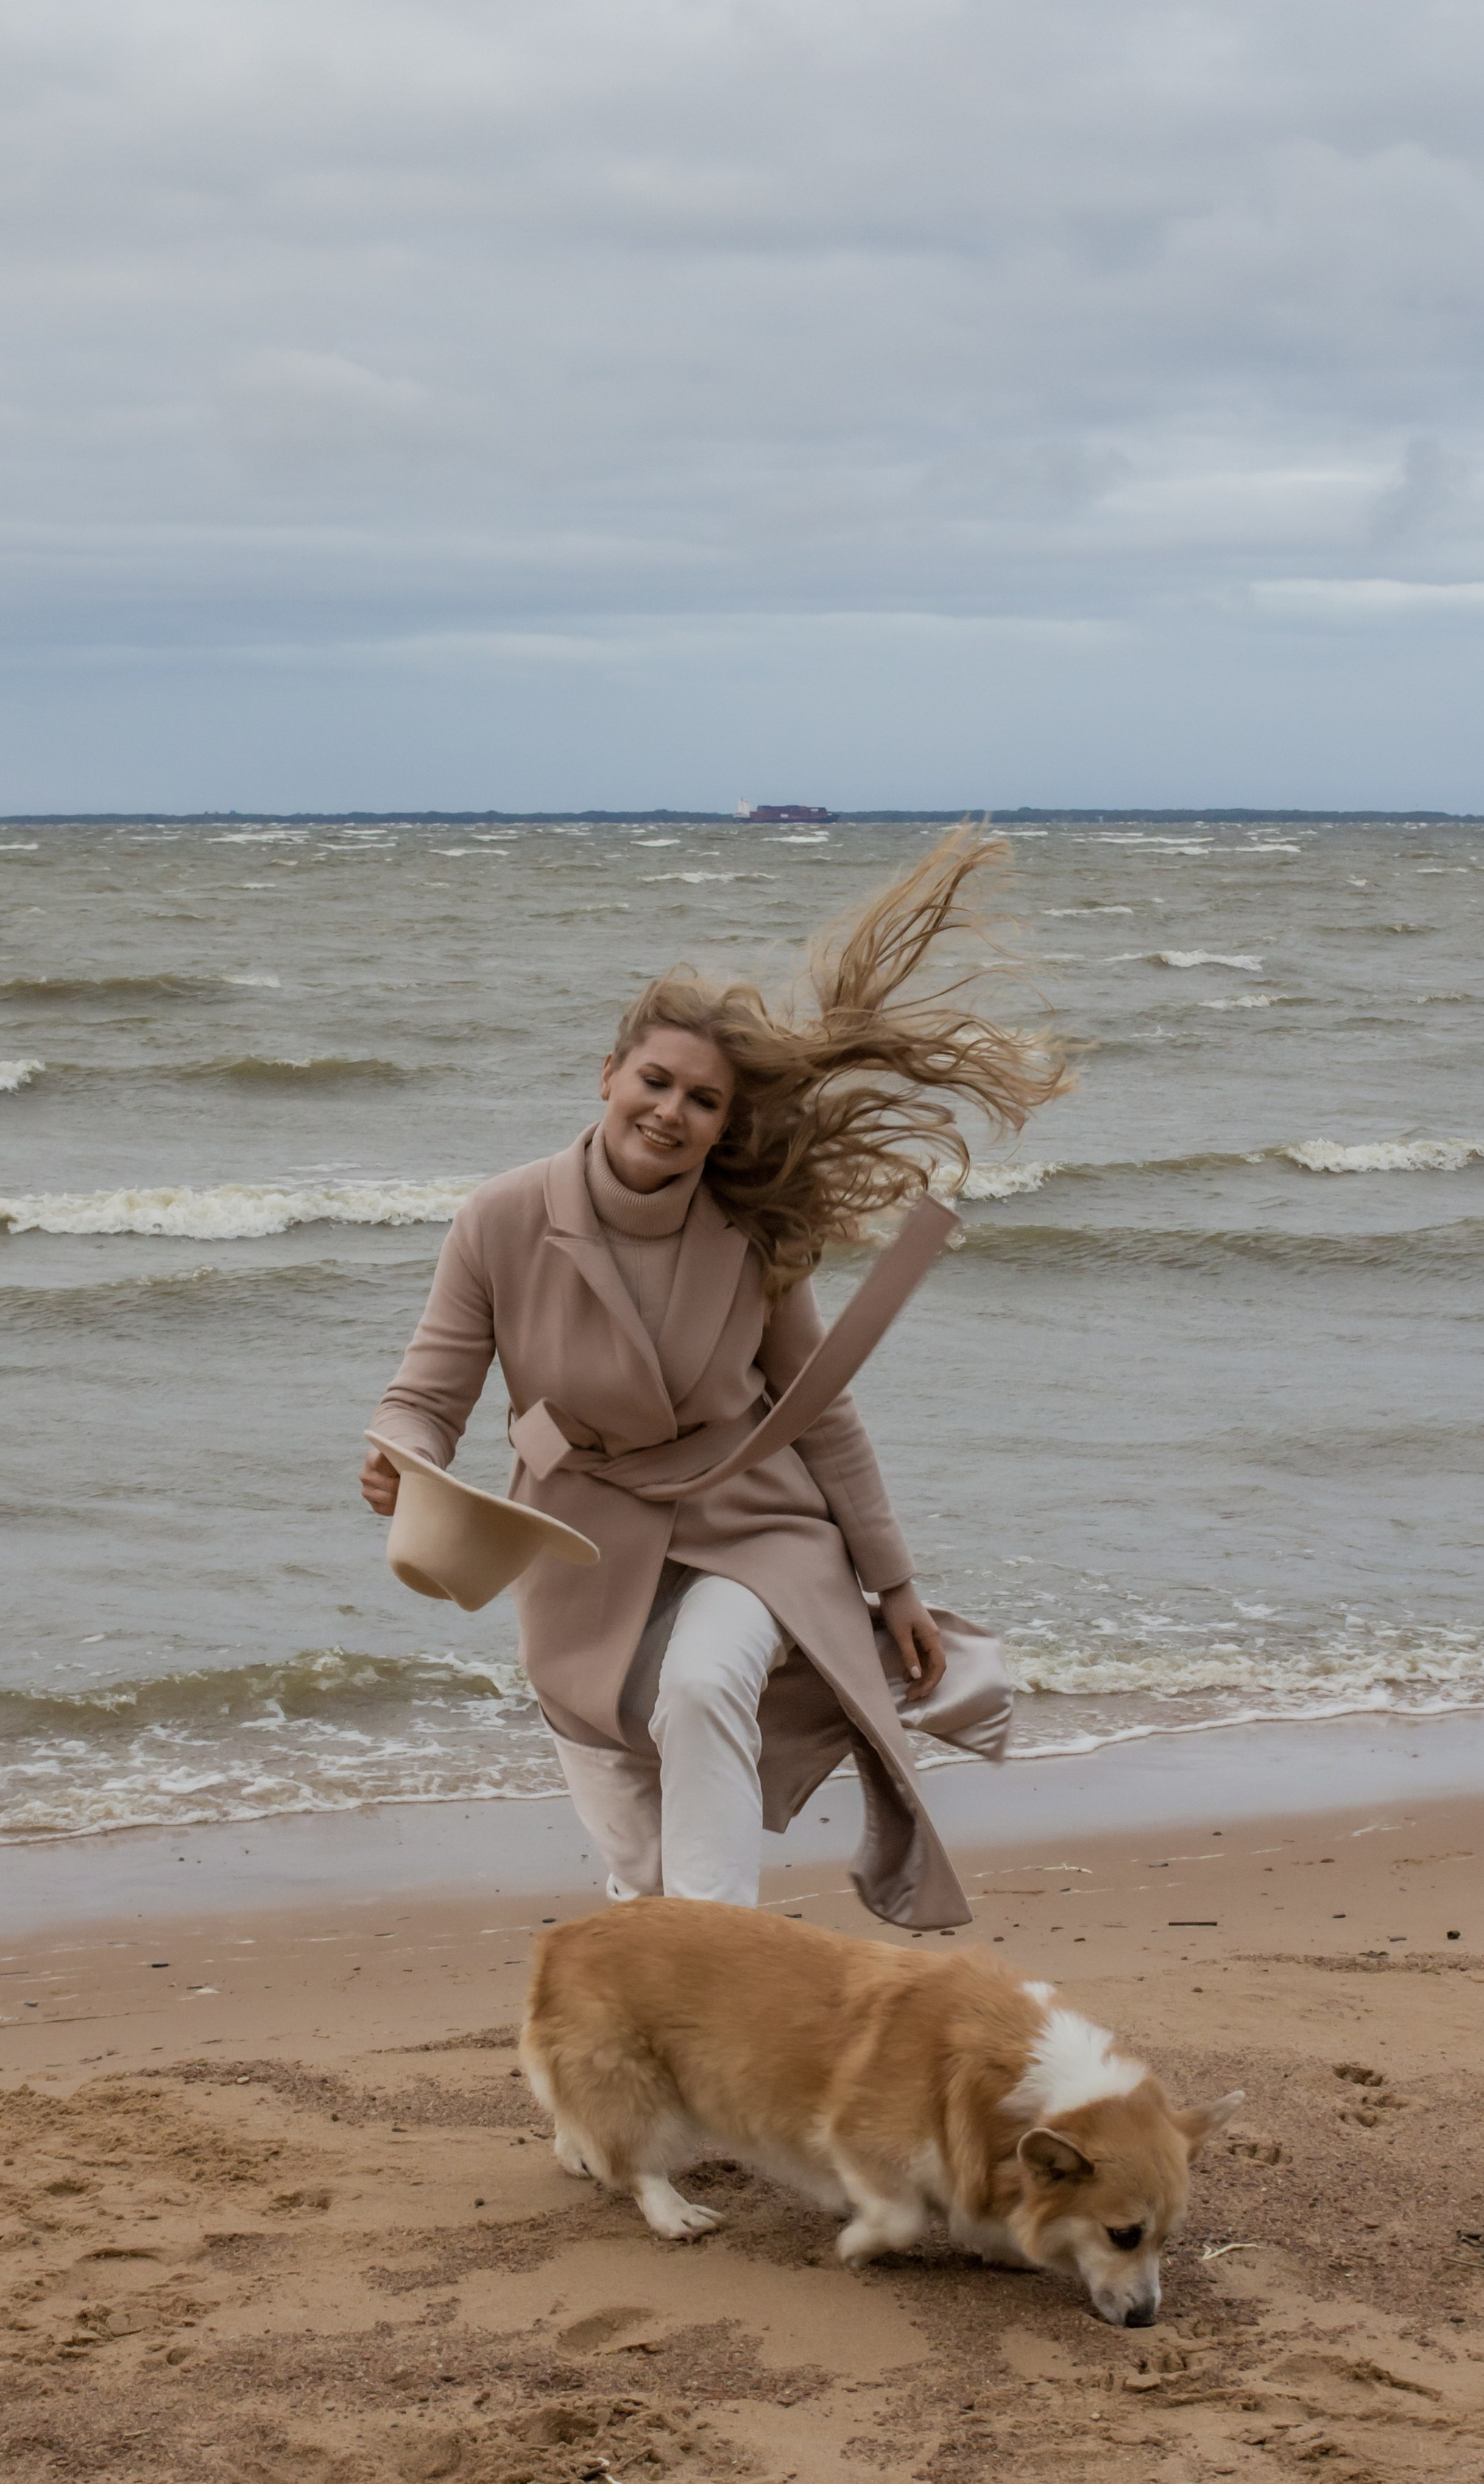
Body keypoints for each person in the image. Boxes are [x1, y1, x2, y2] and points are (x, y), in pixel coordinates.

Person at [361, 827, 1068, 1930]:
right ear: (608, 1075)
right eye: (655, 1081)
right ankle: (669, 1970)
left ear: (726, 1123)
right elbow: (428, 1395)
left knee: (703, 1686)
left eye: (703, 1100)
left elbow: (821, 1414)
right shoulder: (499, 1217)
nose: (670, 1112)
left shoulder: (752, 1233)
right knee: (639, 1866)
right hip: (580, 1536)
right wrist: (404, 1462)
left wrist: (894, 1585)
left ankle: (728, 1968)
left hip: (752, 1524)